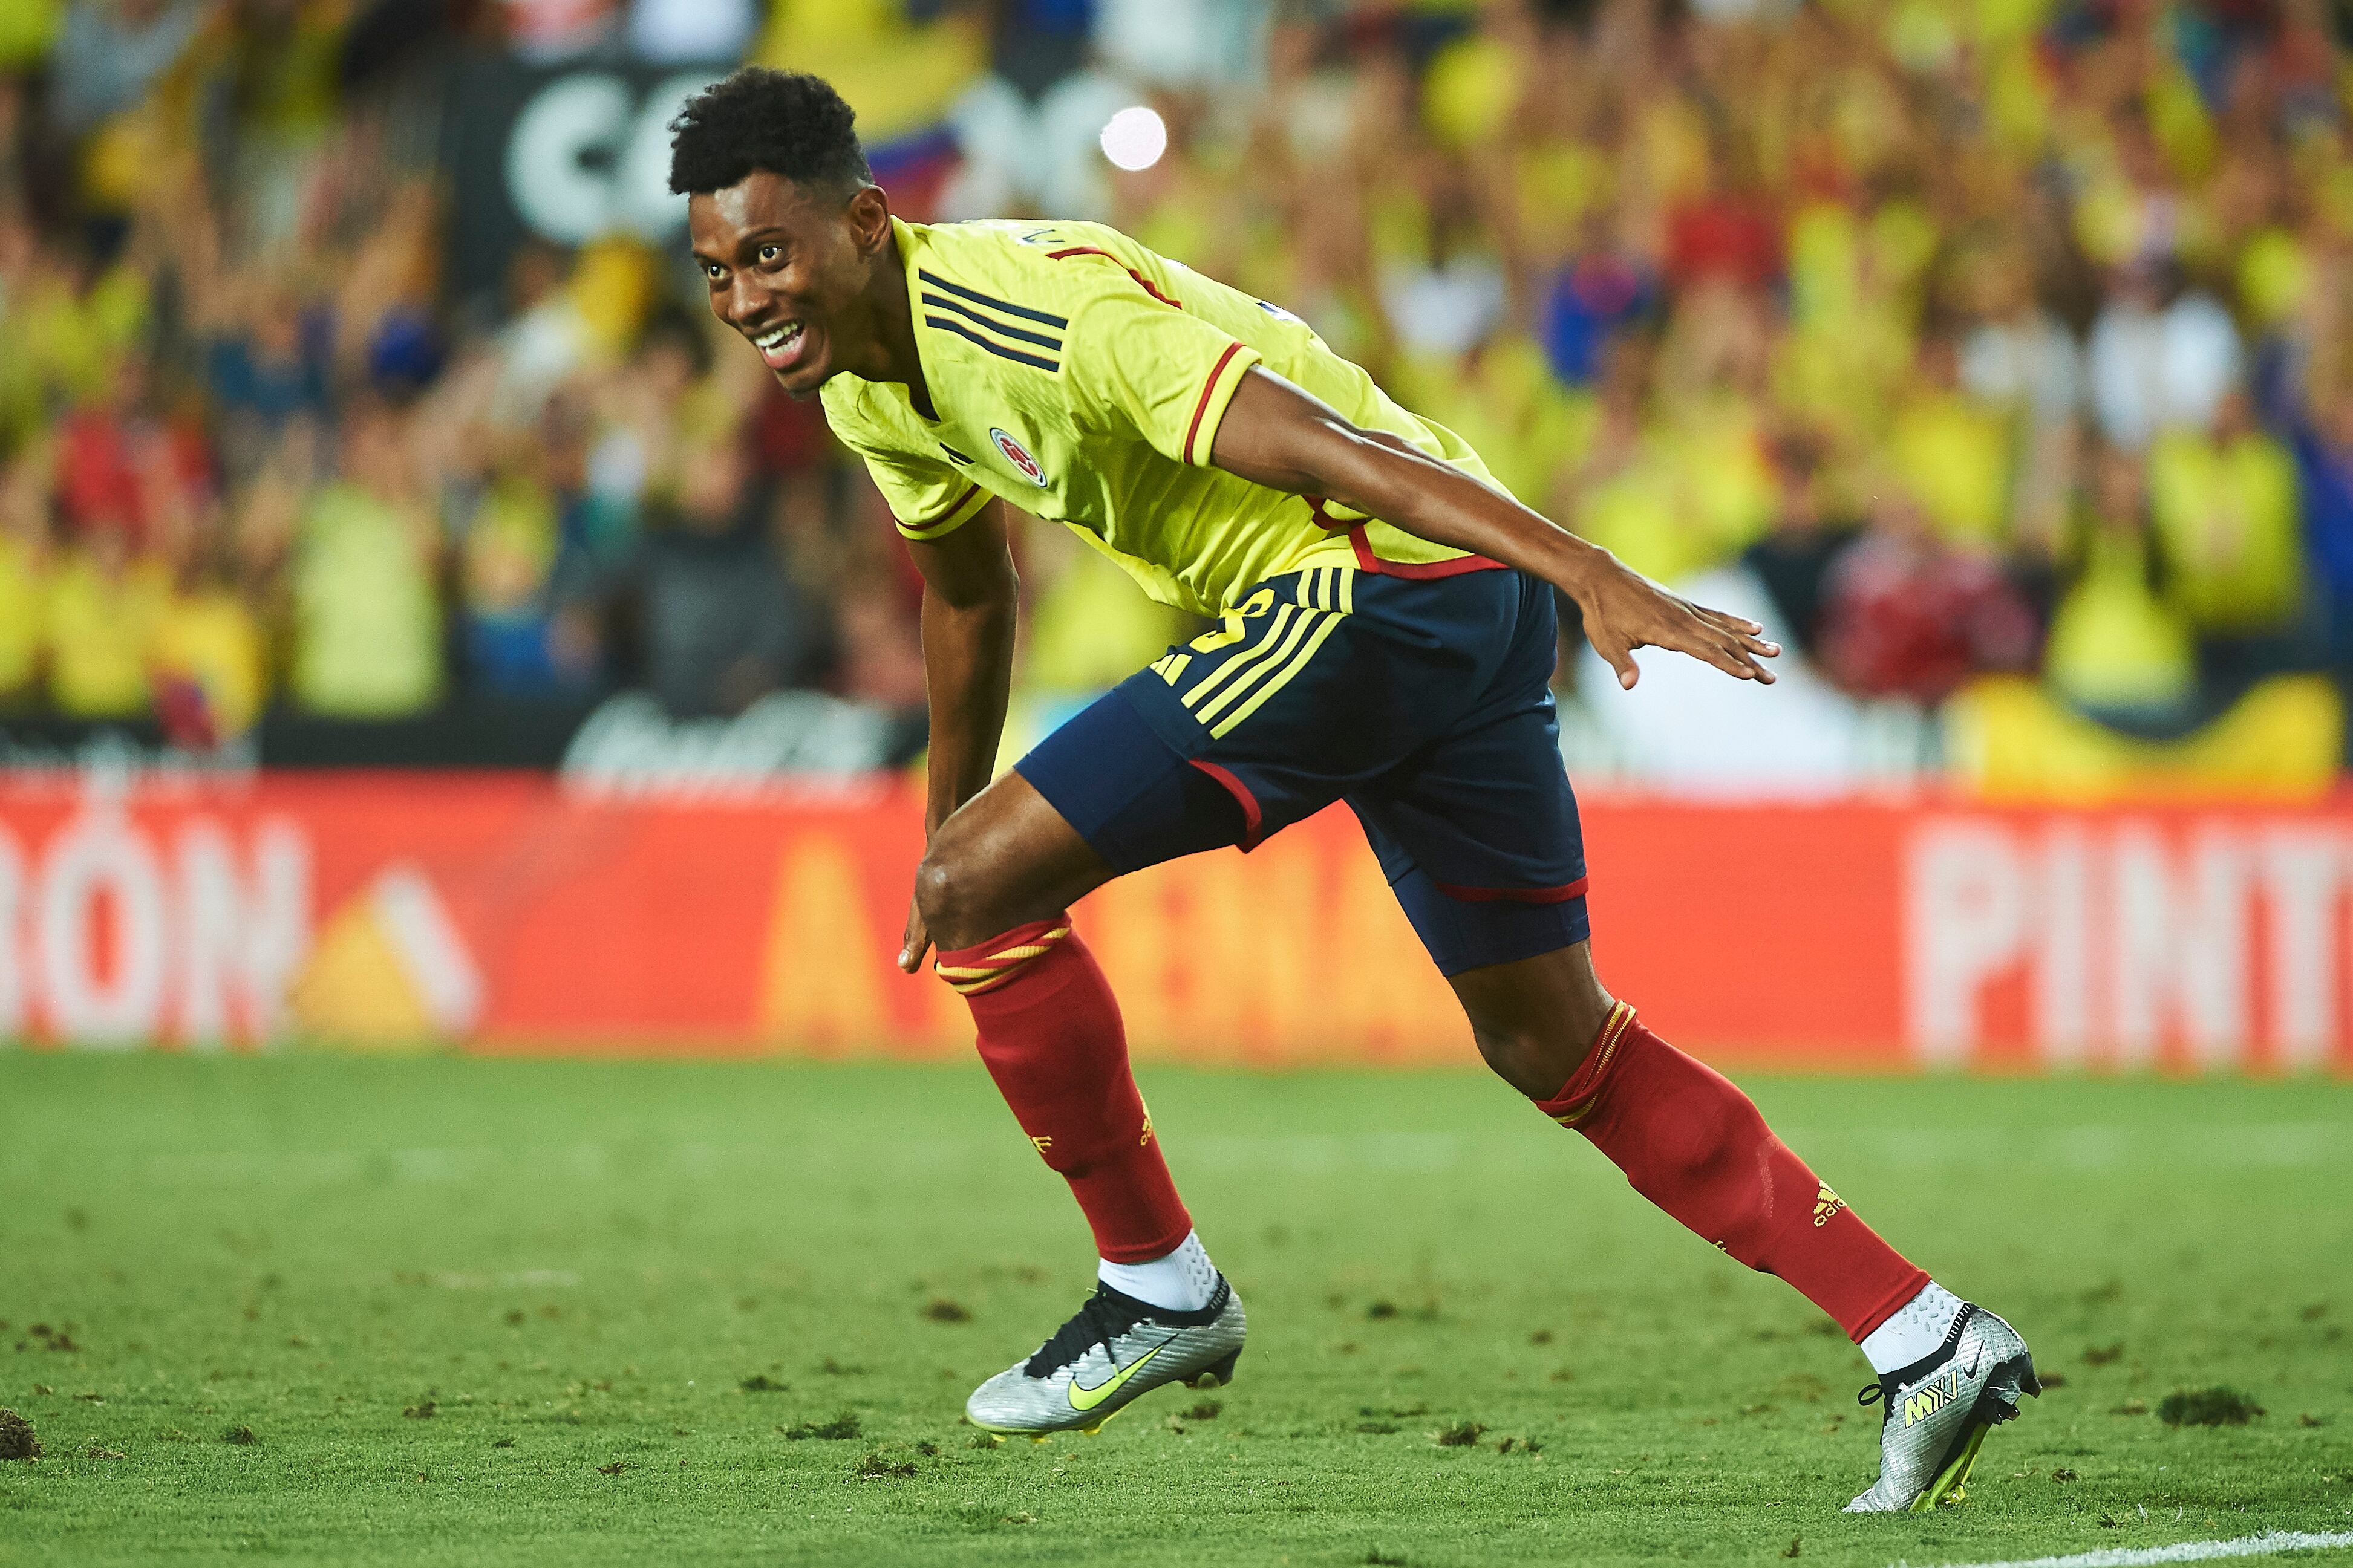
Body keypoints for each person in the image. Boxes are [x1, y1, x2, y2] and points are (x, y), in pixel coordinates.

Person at [670, 67, 2039, 1514]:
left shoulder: (1030, 317)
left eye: (770, 253)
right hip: (1456, 611)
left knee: (984, 897)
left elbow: (1328, 449)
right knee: (1547, 1041)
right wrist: (950, 828)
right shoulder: (866, 384)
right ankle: (1923, 1332)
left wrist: (1586, 569)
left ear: (867, 224)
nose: (747, 298)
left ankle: (1157, 1283)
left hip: (1372, 589)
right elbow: (964, 594)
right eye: (716, 270)